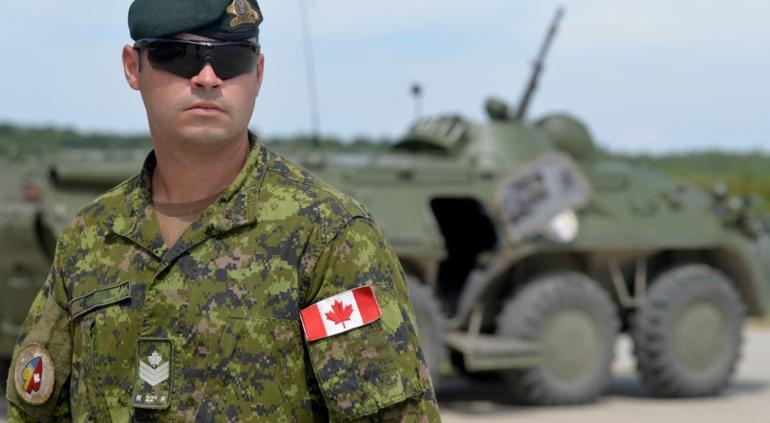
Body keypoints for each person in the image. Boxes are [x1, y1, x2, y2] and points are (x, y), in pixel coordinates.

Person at [5, 0, 440, 421]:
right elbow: (34, 410)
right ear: (133, 67)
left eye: (232, 58)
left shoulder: (328, 236)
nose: (208, 77)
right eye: (179, 55)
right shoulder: (90, 237)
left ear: (259, 73)